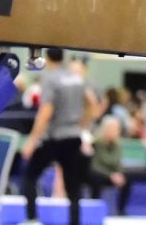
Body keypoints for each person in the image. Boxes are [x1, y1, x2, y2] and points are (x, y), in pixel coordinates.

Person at [20, 47, 89, 225]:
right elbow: (93, 102)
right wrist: (82, 124)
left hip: (56, 138)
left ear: (47, 59)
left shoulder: (50, 79)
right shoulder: (77, 78)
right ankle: (75, 222)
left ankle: (32, 219)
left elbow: (46, 111)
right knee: (73, 186)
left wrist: (32, 140)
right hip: (73, 137)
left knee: (29, 176)